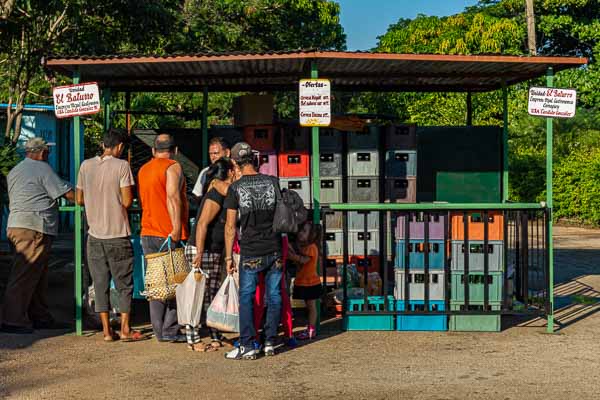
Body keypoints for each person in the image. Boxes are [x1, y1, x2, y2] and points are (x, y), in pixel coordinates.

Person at [76, 128, 145, 342]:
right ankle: (125, 328)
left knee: (100, 283)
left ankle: (106, 331)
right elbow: (126, 201)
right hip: (117, 235)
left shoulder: (86, 165)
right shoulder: (122, 166)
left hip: (94, 236)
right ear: (120, 147)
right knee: (124, 284)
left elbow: (79, 199)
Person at [1, 137, 74, 334]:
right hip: (34, 226)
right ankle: (13, 319)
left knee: (36, 275)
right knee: (24, 275)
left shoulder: (16, 170)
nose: (48, 155)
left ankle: (39, 316)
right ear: (42, 152)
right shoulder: (42, 168)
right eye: (47, 152)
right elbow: (66, 194)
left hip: (17, 225)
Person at [223, 142, 282, 360]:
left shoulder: (235, 188)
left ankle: (248, 344)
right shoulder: (273, 182)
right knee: (274, 295)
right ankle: (269, 342)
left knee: (246, 296)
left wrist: (229, 256)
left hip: (250, 250)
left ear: (234, 163)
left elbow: (230, 227)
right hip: (274, 248)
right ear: (255, 160)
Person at [138, 133, 189, 343]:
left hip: (147, 231)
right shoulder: (172, 167)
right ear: (175, 151)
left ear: (153, 150)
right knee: (177, 281)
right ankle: (170, 329)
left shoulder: (143, 169)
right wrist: (177, 227)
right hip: (166, 233)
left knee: (156, 282)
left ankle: (159, 330)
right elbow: (172, 196)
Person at [185, 158, 235, 352]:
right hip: (202, 251)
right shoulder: (215, 194)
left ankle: (214, 334)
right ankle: (193, 338)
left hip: (212, 251)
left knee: (211, 296)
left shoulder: (222, 193)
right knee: (197, 295)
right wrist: (199, 251)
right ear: (230, 172)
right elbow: (202, 224)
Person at [287, 221, 323, 340]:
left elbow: (303, 260)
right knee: (309, 306)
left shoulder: (311, 248)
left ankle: (311, 329)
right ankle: (310, 329)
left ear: (311, 235)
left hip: (310, 282)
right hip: (305, 281)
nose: (300, 234)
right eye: (301, 231)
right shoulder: (305, 247)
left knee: (311, 306)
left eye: (304, 231)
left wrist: (291, 255)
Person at [191, 137, 231, 202]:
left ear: (227, 152)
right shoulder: (205, 172)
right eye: (210, 154)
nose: (212, 157)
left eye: (216, 153)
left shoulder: (237, 171)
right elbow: (197, 195)